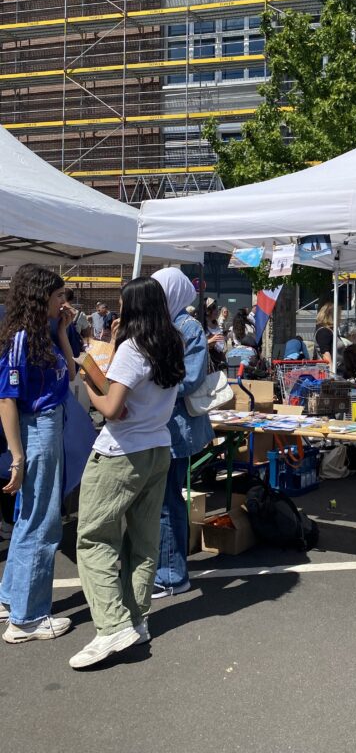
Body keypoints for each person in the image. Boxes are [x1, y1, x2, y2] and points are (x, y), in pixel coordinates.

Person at [71, 276, 185, 670]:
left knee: (93, 539)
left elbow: (113, 408)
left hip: (121, 451)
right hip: (158, 448)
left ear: (132, 306)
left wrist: (87, 375)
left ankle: (113, 625)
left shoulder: (133, 349)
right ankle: (136, 619)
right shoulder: (173, 342)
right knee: (143, 540)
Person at [0, 264, 76, 643]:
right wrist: (17, 455)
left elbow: (72, 375)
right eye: (58, 295)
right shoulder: (19, 339)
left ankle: (13, 599)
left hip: (47, 424)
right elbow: (7, 400)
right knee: (42, 521)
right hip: (39, 428)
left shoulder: (39, 334)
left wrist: (62, 331)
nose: (63, 301)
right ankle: (27, 618)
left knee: (32, 515)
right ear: (39, 296)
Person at [151, 269, 213, 598]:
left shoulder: (188, 327)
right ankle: (169, 568)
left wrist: (152, 387)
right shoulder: (162, 325)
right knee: (164, 499)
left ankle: (173, 575)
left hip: (176, 425)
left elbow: (191, 378)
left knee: (167, 500)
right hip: (161, 424)